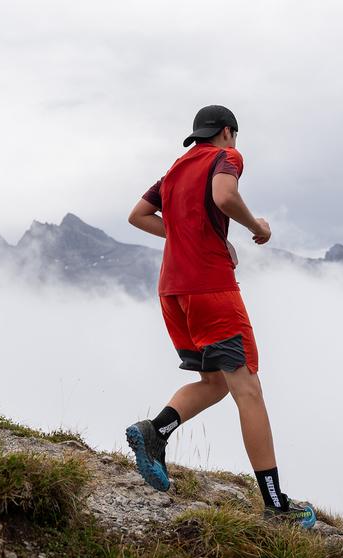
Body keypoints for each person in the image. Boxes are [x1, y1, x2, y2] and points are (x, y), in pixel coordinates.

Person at [125, 105, 316, 528]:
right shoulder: (226, 157)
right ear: (227, 133)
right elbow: (224, 196)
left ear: (195, 136)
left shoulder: (174, 170)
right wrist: (257, 227)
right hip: (211, 290)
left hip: (172, 292)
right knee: (248, 389)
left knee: (214, 382)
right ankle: (275, 507)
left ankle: (154, 431)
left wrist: (194, 235)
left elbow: (137, 215)